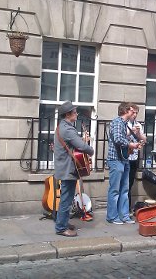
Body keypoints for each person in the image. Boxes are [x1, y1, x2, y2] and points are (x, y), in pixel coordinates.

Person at [53, 101, 94, 237]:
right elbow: (81, 146)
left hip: (63, 167)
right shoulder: (68, 129)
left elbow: (72, 144)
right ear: (68, 114)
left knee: (67, 198)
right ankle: (61, 228)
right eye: (74, 112)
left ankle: (62, 222)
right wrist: (90, 150)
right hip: (67, 169)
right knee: (66, 199)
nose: (76, 114)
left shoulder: (61, 127)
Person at [106, 102, 139, 224]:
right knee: (114, 190)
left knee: (124, 189)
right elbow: (117, 139)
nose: (134, 113)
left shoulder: (125, 124)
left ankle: (124, 216)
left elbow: (124, 139)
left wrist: (134, 144)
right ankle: (112, 217)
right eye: (132, 111)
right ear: (126, 110)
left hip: (124, 160)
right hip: (115, 160)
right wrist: (130, 144)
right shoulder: (117, 122)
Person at [127, 104, 147, 210]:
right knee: (124, 184)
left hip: (134, 158)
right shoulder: (124, 124)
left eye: (136, 113)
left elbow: (144, 139)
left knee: (130, 183)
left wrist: (138, 133)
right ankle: (124, 208)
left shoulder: (138, 124)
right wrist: (131, 132)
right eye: (133, 112)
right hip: (125, 157)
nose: (134, 115)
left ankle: (128, 207)